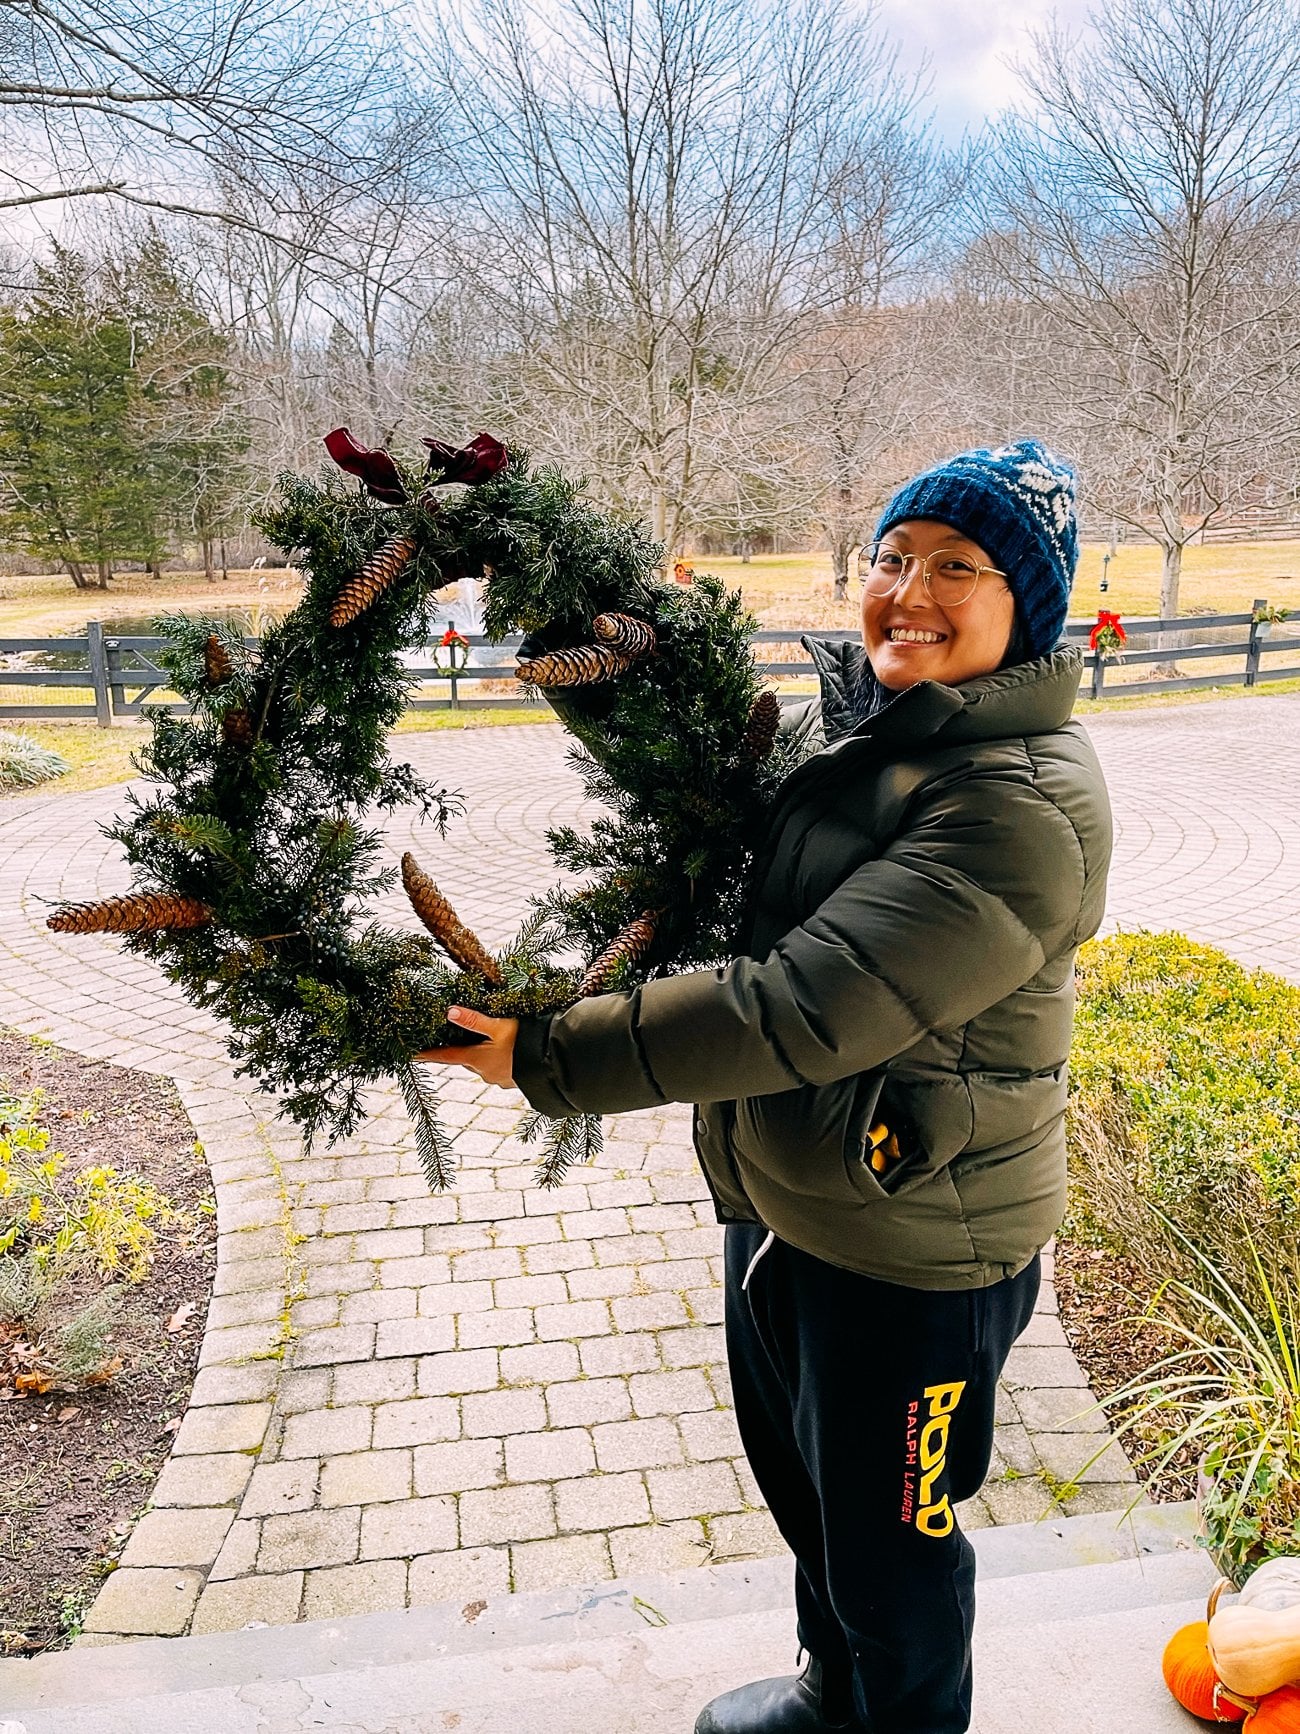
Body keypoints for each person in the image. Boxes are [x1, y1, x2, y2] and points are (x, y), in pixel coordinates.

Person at [419, 439, 1113, 1734]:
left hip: (916, 1256)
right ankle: (833, 1694)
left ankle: (893, 1716)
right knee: (813, 1494)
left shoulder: (1019, 804)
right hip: (795, 1201)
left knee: (894, 1550)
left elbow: (802, 1006)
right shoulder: (874, 737)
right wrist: (561, 606)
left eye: (957, 567)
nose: (909, 587)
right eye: (895, 556)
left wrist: (548, 1053)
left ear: (1031, 609)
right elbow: (706, 771)